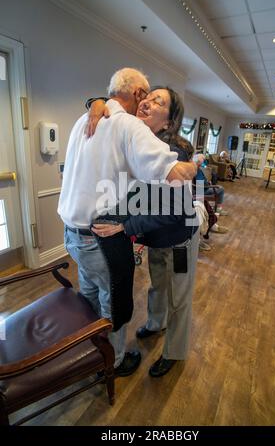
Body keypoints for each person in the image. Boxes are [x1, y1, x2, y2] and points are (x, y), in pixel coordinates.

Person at [58, 68, 197, 378]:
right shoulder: (133, 134)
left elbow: (176, 210)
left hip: (178, 237)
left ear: (170, 120)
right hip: (152, 236)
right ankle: (153, 325)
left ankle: (173, 351)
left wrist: (126, 228)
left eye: (158, 101)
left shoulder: (171, 149)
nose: (147, 102)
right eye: (146, 96)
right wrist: (97, 101)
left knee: (177, 297)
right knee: (157, 289)